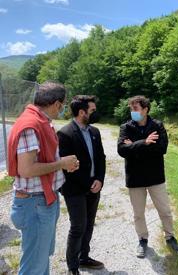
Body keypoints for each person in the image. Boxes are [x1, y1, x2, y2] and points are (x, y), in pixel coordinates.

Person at [7, 81, 79, 275]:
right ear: (57, 104)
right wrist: (61, 164)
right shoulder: (31, 125)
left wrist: (62, 165)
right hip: (35, 204)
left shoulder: (40, 121)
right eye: (63, 105)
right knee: (34, 267)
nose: (62, 109)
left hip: (42, 200)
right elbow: (27, 169)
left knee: (40, 260)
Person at [117, 95, 178, 258]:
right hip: (135, 178)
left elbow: (161, 149)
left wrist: (133, 146)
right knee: (138, 213)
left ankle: (170, 237)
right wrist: (145, 143)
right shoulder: (125, 127)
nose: (133, 112)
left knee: (165, 211)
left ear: (145, 109)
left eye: (136, 109)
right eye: (131, 109)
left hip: (155, 177)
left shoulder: (157, 125)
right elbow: (121, 151)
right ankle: (142, 239)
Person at [57, 95, 106, 275]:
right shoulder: (65, 133)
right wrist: (89, 183)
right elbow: (68, 167)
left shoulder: (95, 132)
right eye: (91, 110)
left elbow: (101, 158)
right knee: (78, 226)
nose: (94, 113)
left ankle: (84, 258)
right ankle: (72, 267)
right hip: (75, 189)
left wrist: (99, 179)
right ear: (81, 112)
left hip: (95, 187)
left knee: (89, 224)